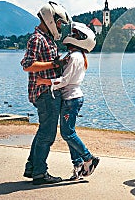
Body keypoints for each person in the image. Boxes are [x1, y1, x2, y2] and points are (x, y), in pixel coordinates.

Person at [37, 22, 99, 180]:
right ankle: (78, 165)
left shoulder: (75, 57)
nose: (71, 36)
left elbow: (65, 81)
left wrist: (45, 81)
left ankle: (89, 158)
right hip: (71, 98)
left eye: (76, 35)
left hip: (71, 99)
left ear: (81, 40)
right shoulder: (74, 56)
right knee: (69, 132)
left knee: (67, 133)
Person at [20, 1, 72, 185]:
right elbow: (27, 65)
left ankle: (32, 167)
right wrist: (53, 64)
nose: (59, 26)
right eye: (59, 23)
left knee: (43, 131)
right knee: (47, 135)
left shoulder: (47, 38)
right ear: (50, 19)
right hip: (44, 92)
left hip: (49, 91)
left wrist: (59, 63)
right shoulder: (37, 39)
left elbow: (47, 61)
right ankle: (40, 174)